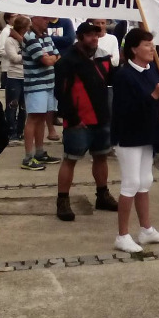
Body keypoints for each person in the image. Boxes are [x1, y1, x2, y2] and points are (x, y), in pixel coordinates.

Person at [111, 28, 159, 253]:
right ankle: (122, 235)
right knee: (130, 183)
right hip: (128, 135)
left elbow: (152, 103)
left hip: (147, 134)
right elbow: (125, 110)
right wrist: (154, 96)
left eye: (152, 44)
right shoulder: (124, 75)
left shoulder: (151, 71)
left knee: (145, 181)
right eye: (147, 45)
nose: (152, 49)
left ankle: (146, 230)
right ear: (134, 48)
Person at [53, 22, 118, 221]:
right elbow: (60, 92)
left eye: (96, 35)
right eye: (90, 35)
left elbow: (113, 81)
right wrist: (72, 118)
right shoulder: (67, 61)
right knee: (70, 159)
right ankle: (62, 201)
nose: (94, 39)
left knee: (101, 156)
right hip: (78, 121)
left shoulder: (104, 57)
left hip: (101, 118)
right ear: (80, 37)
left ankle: (102, 195)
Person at [20, 16, 61, 170]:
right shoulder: (30, 37)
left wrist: (52, 57)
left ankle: (39, 152)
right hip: (36, 85)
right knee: (33, 118)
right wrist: (52, 57)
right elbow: (48, 61)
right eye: (44, 19)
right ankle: (28, 157)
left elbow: (57, 55)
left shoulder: (45, 36)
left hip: (49, 82)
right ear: (34, 19)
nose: (47, 21)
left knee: (42, 117)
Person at [2, 16, 29, 142]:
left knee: (24, 107)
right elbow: (13, 58)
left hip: (27, 76)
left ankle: (20, 131)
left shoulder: (27, 39)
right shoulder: (10, 41)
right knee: (12, 105)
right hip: (14, 76)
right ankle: (10, 132)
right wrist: (28, 57)